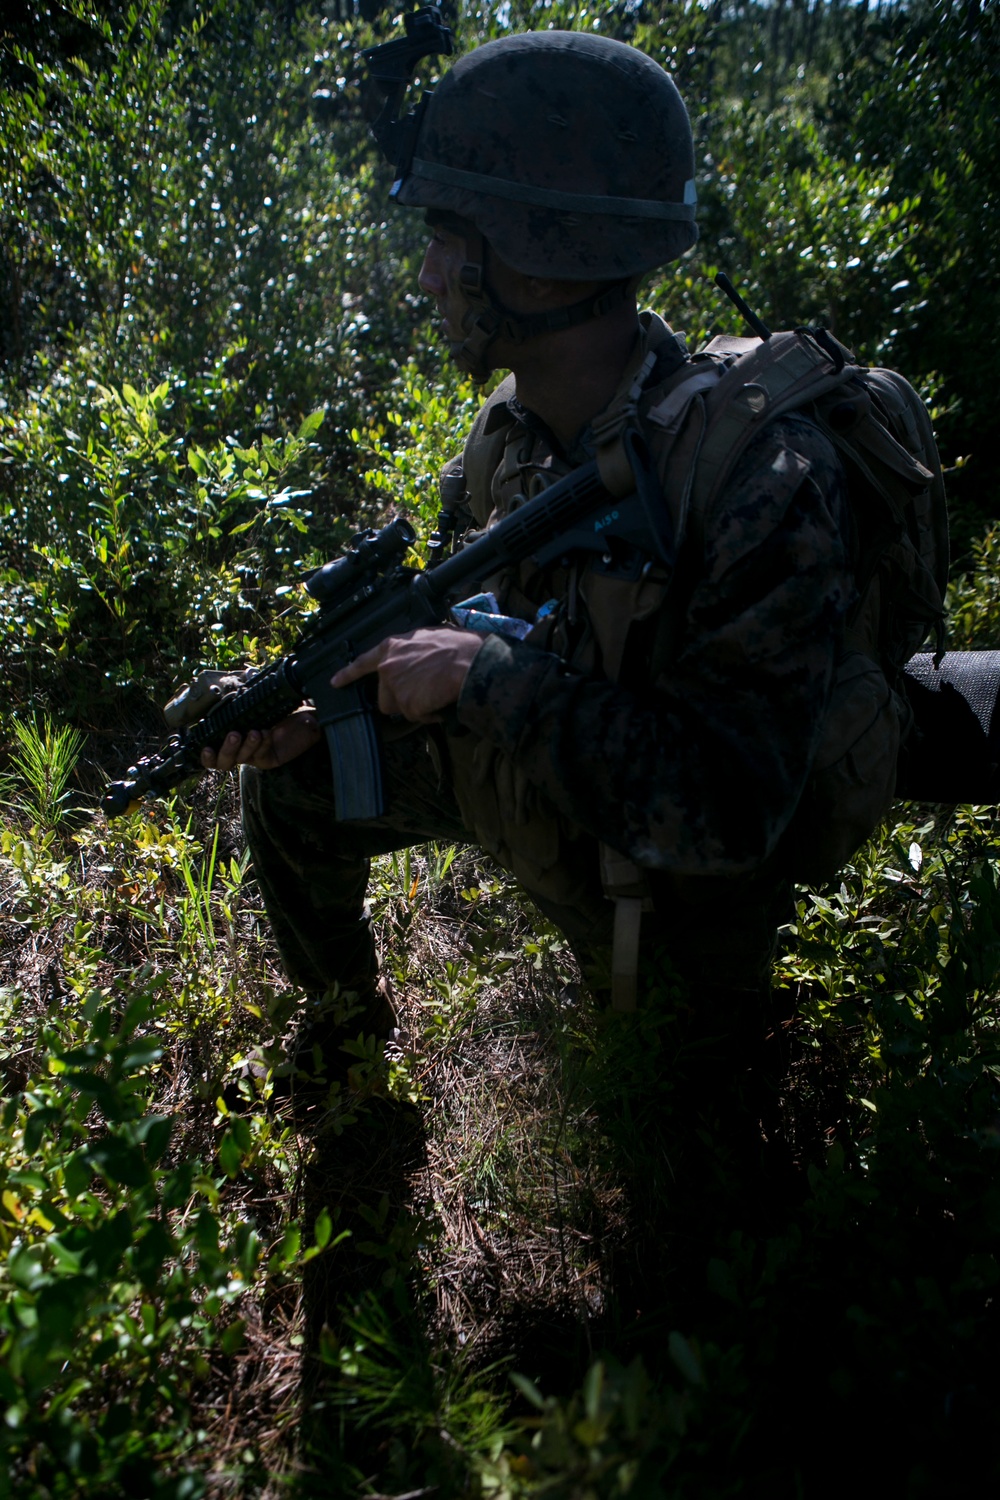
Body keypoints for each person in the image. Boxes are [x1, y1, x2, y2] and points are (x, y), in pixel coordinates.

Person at [180, 31, 854, 1163]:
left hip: (674, 867)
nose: (430, 275)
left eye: (450, 241)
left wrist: (488, 682)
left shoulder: (757, 481)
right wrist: (318, 711)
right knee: (296, 788)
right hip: (555, 781)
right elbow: (456, 623)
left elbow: (732, 811)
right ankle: (344, 1050)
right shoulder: (508, 435)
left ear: (538, 259)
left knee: (680, 1151)